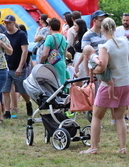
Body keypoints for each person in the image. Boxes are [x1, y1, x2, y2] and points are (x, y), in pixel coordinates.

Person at [80, 18, 129, 155]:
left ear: (103, 29)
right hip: (125, 83)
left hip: (110, 85)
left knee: (96, 116)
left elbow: (101, 67)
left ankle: (93, 147)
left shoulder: (105, 47)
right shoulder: (125, 41)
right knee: (119, 117)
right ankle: (122, 147)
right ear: (114, 28)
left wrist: (93, 71)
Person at [2, 15, 33, 120]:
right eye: (5, 23)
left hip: (18, 66)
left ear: (14, 23)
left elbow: (24, 51)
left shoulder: (21, 34)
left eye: (9, 23)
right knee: (5, 90)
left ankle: (28, 103)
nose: (7, 25)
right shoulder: (4, 35)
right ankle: (7, 111)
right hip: (6, 67)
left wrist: (20, 67)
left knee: (22, 90)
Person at [75, 10, 108, 77]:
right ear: (94, 21)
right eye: (101, 21)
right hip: (94, 68)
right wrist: (88, 74)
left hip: (106, 65)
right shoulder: (88, 35)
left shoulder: (105, 33)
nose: (103, 23)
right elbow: (85, 54)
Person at [40, 18, 68, 84]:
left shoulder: (50, 37)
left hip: (52, 64)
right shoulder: (63, 38)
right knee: (61, 85)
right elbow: (65, 53)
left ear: (50, 27)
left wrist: (41, 62)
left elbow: (45, 54)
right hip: (61, 63)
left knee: (52, 86)